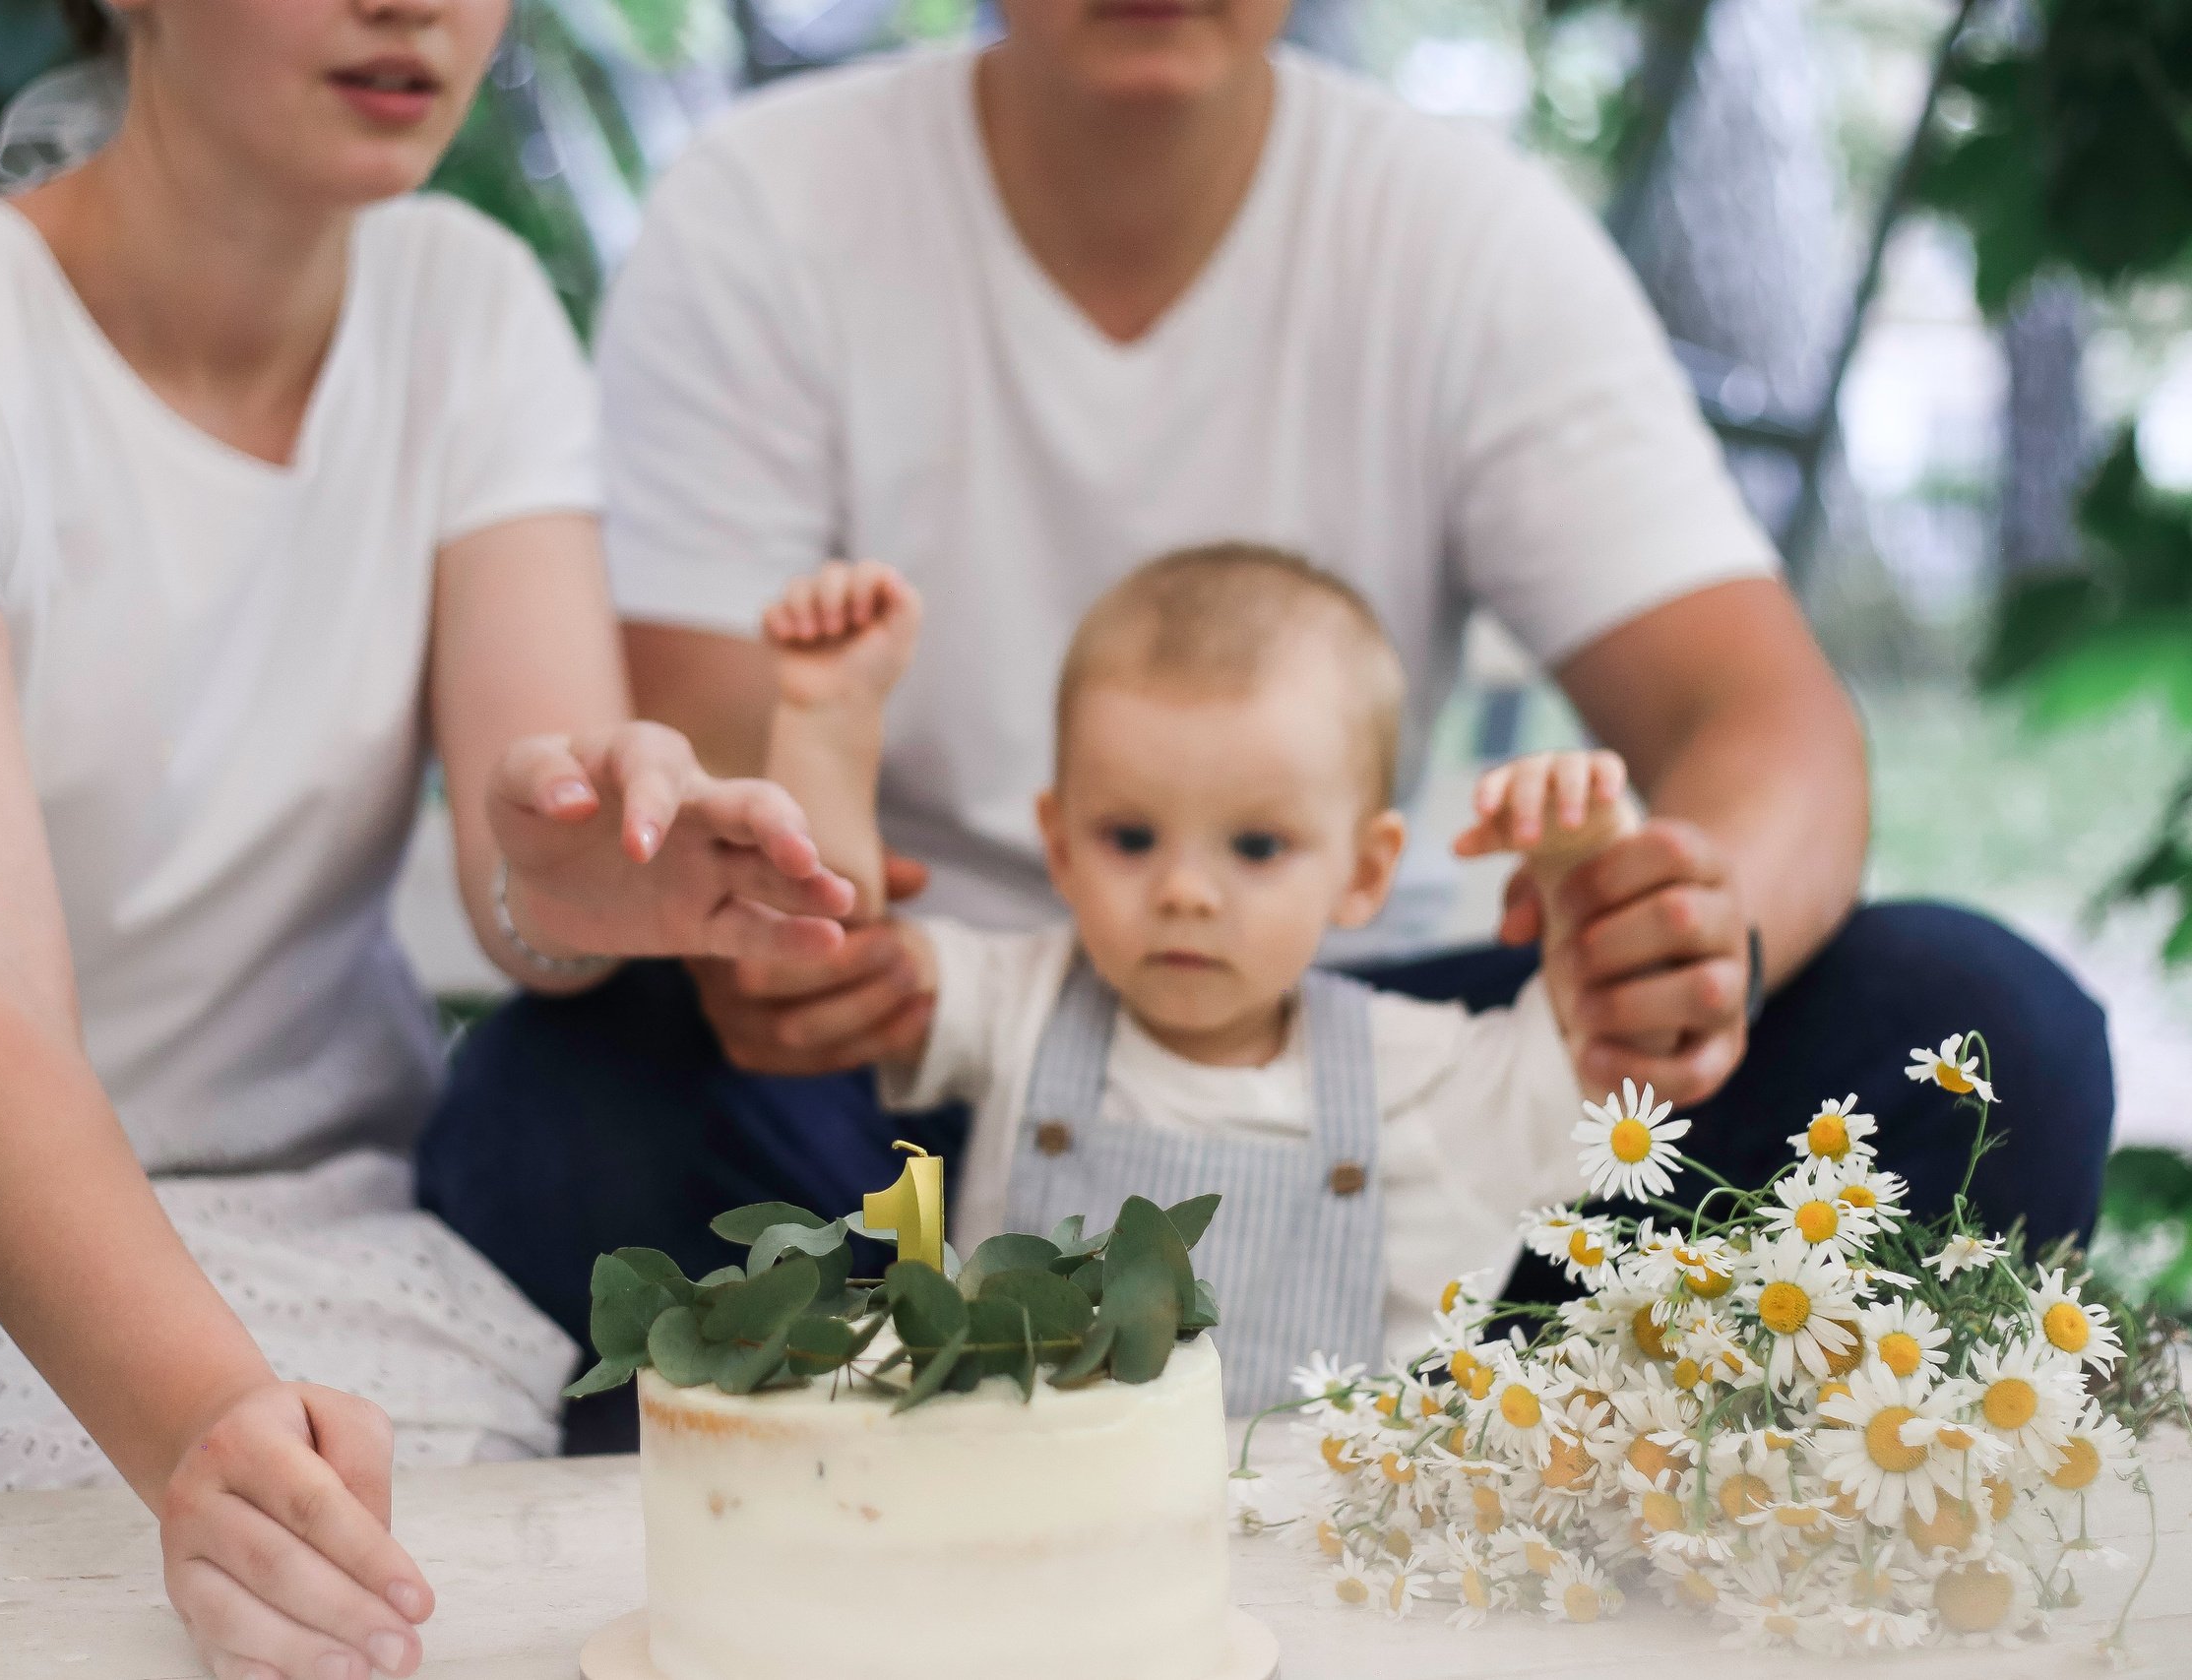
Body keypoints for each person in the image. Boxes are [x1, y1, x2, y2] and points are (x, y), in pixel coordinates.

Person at [417, 0, 2112, 1437]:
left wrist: (1696, 927)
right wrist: (767, 947)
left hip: (1369, 1076)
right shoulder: (766, 212)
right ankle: (1194, 1415)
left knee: (1975, 1029)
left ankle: (1371, 1426)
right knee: (565, 1105)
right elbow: (713, 806)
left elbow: (1762, 714)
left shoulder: (1459, 230)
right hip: (923, 1086)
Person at [0, 2, 857, 1677]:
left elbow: (532, 879)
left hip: (309, 1214)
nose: (415, 9)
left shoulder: (472, 308)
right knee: (91, 1576)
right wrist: (196, 1419)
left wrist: (591, 885)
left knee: (463, 1578)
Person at [759, 548, 1664, 1412]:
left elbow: (1607, 1047)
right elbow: (820, 966)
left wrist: (1585, 860)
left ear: (1364, 872)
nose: (1184, 891)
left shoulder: (1409, 1072)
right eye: (1130, 837)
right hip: (1024, 1517)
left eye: (1257, 846)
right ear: (1060, 845)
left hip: (1307, 1558)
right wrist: (826, 724)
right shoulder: (1018, 1003)